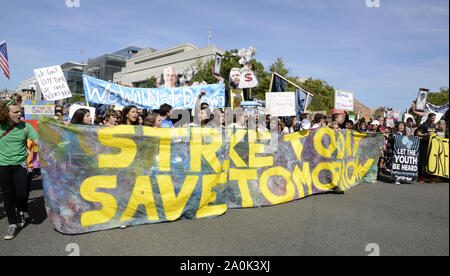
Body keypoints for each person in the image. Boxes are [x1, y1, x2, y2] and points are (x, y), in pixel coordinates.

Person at [0, 98, 38, 240]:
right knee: (8, 196)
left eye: (20, 111)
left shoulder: (25, 126)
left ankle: (22, 209)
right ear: (5, 113)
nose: (19, 114)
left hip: (20, 165)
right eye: (15, 112)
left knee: (22, 194)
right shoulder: (0, 126)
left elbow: (38, 140)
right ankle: (12, 224)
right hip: (2, 165)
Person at [415, 113, 437, 183]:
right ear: (429, 118)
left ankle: (429, 177)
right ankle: (420, 177)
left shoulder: (434, 126)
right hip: (424, 145)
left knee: (430, 161)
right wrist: (426, 134)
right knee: (422, 161)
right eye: (433, 118)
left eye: (434, 118)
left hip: (432, 146)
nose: (434, 119)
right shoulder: (424, 125)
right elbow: (418, 134)